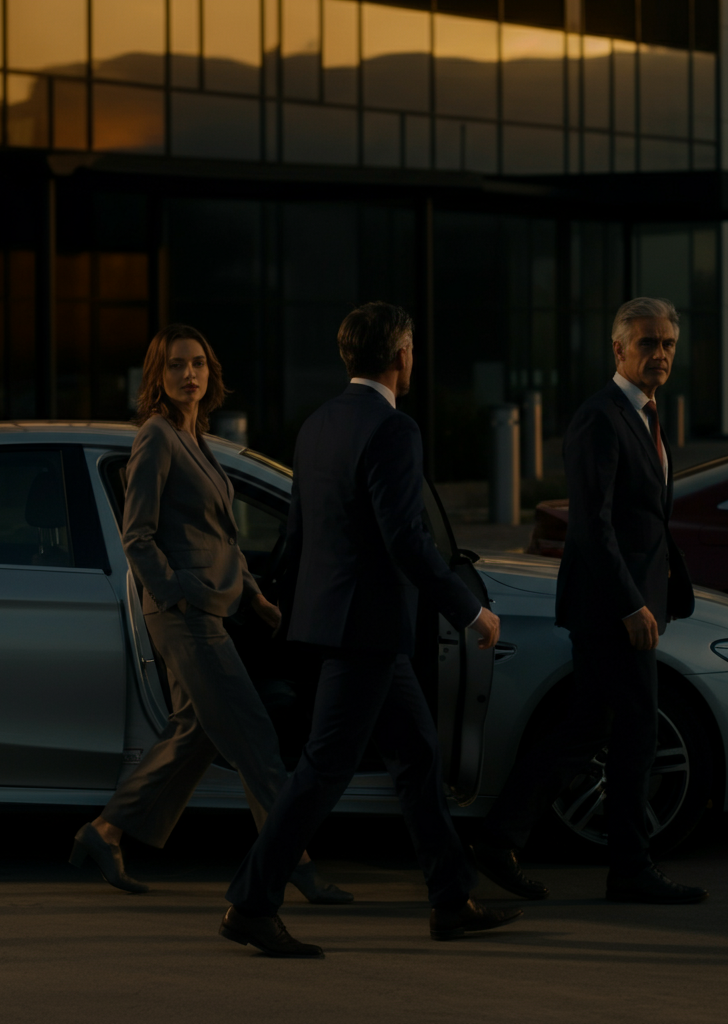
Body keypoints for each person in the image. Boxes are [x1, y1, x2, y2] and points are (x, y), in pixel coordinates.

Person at [220, 302, 519, 959]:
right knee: (323, 769)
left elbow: (297, 530)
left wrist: (285, 605)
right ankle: (251, 903)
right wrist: (468, 609)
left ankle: (450, 899)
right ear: (401, 355)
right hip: (367, 628)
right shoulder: (394, 430)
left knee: (417, 755)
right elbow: (404, 540)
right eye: (413, 349)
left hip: (341, 622)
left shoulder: (318, 424)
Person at [69, 324, 351, 905]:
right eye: (175, 366)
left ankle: (105, 831)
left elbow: (218, 535)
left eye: (197, 364)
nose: (188, 375)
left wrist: (254, 597)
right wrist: (175, 592)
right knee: (254, 739)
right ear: (158, 376)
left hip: (213, 606)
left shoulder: (195, 439)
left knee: (194, 732)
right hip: (187, 616)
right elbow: (137, 535)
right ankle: (292, 862)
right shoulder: (157, 438)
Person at [471, 297, 707, 906]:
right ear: (618, 349)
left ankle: (499, 838)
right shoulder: (600, 418)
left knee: (588, 729)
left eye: (668, 345)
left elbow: (643, 517)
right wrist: (631, 604)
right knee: (633, 735)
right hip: (611, 609)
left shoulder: (647, 416)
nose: (659, 354)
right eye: (648, 343)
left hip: (631, 604)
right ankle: (629, 867)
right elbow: (591, 527)